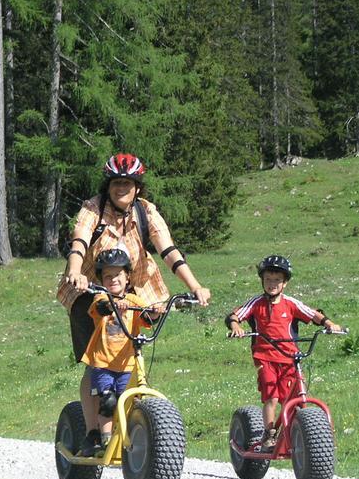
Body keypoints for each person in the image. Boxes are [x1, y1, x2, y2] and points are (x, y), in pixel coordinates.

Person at [58, 153, 211, 438]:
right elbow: (79, 241)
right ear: (108, 185)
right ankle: (94, 433)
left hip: (135, 292)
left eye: (128, 183)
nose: (121, 189)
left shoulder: (146, 212)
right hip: (90, 291)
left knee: (131, 354)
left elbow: (168, 251)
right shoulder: (93, 208)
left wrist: (195, 286)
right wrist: (76, 271)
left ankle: (131, 422)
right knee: (96, 363)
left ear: (138, 187)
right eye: (116, 183)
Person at [226, 255, 343, 449]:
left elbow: (312, 314)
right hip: (265, 356)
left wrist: (329, 324)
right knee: (272, 395)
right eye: (268, 280)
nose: (272, 284)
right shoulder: (256, 303)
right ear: (262, 281)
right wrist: (235, 327)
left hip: (290, 358)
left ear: (285, 283)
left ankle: (303, 435)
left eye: (277, 280)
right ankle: (269, 434)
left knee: (297, 395)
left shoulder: (290, 303)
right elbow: (234, 316)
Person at [78, 248, 162, 456]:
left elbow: (147, 317)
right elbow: (101, 308)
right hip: (103, 362)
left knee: (131, 404)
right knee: (108, 401)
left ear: (127, 278)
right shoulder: (100, 297)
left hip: (127, 365)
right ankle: (104, 441)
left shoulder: (134, 301)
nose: (112, 279)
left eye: (117, 275)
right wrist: (114, 305)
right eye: (107, 276)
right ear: (101, 281)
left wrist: (155, 312)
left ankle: (132, 439)